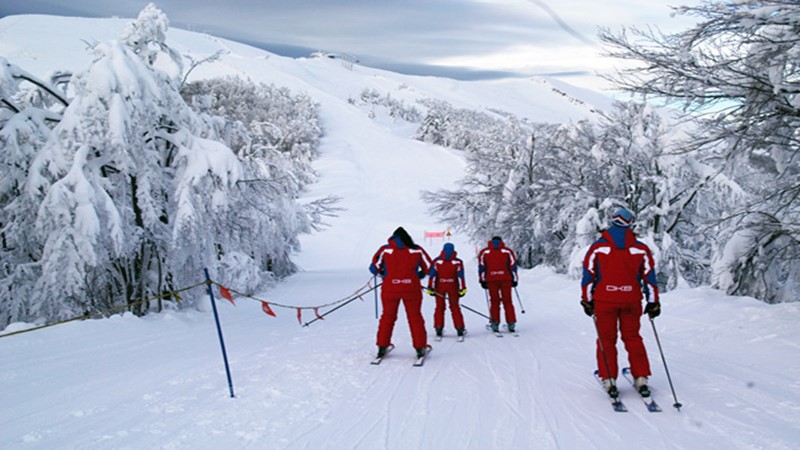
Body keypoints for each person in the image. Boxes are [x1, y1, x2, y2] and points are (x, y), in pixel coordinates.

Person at [580, 208, 661, 397]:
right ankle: (641, 377)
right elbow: (649, 278)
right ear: (631, 224)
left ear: (612, 222)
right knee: (633, 338)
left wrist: (587, 300)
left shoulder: (598, 247)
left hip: (604, 300)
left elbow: (588, 277)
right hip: (631, 300)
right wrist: (653, 302)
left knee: (606, 339)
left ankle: (609, 379)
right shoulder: (640, 249)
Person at [369, 227, 433, 359]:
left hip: (390, 288)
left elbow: (373, 268)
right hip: (412, 289)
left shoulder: (385, 249)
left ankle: (382, 346)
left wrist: (385, 275)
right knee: (415, 317)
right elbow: (430, 269)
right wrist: (419, 275)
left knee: (387, 317)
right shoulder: (416, 249)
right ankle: (420, 347)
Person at [477, 236, 518, 333]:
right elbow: (513, 266)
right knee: (508, 301)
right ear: (501, 242)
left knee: (494, 301)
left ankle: (495, 323)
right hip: (506, 279)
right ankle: (511, 323)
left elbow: (482, 267)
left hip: (491, 279)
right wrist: (515, 279)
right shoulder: (507, 251)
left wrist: (482, 280)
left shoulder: (484, 252)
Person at [426, 242, 467, 339]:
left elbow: (432, 276)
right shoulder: (458, 262)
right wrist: (462, 289)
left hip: (440, 286)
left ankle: (438, 328)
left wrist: (430, 287)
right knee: (455, 307)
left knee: (439, 307)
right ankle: (459, 328)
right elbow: (460, 276)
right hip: (453, 286)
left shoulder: (437, 261)